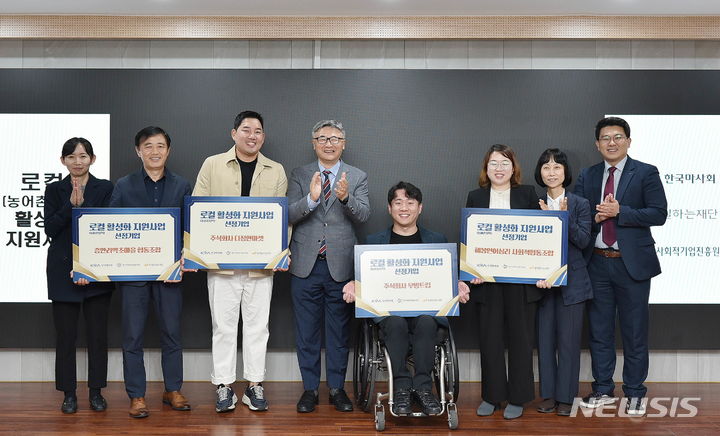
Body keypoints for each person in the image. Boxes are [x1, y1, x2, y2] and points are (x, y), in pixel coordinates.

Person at [342, 181, 470, 416]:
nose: (404, 208)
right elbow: (363, 278)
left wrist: (458, 283)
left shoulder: (437, 240)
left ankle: (423, 389)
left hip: (427, 314)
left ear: (419, 208)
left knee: (425, 321)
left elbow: (448, 277)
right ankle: (401, 387)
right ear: (389, 208)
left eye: (410, 203)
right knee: (396, 322)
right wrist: (353, 283)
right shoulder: (373, 243)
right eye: (398, 202)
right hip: (391, 315)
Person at [193, 110, 288, 413]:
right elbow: (198, 209)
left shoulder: (276, 170)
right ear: (233, 133)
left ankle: (254, 385)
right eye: (246, 129)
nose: (252, 135)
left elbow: (282, 220)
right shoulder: (212, 164)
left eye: (258, 131)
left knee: (258, 327)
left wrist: (281, 252)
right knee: (223, 326)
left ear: (264, 136)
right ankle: (223, 386)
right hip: (221, 265)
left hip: (262, 266)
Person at [574, 117, 667, 415]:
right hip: (597, 263)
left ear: (628, 140)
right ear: (597, 144)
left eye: (617, 137)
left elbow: (658, 213)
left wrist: (620, 211)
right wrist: (596, 218)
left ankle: (636, 393)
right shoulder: (587, 176)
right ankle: (602, 389)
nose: (611, 142)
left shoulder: (646, 172)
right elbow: (580, 215)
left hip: (632, 265)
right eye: (605, 138)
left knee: (635, 332)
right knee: (600, 332)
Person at [109, 126, 193, 418]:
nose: (154, 152)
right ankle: (137, 395)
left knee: (172, 333)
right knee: (132, 337)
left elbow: (190, 228)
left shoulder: (182, 185)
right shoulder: (124, 185)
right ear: (138, 151)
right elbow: (110, 228)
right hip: (133, 275)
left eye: (160, 146)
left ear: (168, 151)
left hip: (170, 274)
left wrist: (188, 254)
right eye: (148, 146)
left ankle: (173, 389)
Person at [288, 119, 370, 413]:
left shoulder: (357, 176)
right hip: (305, 264)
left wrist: (346, 198)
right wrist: (310, 199)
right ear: (314, 143)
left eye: (335, 138)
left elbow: (363, 215)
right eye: (323, 138)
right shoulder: (299, 174)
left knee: (338, 332)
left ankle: (336, 388)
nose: (329, 143)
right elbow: (288, 213)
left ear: (343, 144)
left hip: (340, 266)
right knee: (306, 332)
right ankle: (309, 389)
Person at [465, 143, 542, 420]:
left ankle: (519, 397)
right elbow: (470, 239)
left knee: (521, 339)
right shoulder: (475, 196)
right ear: (486, 168)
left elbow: (540, 236)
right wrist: (470, 268)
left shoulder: (528, 194)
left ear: (514, 168)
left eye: (504, 163)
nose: (499, 168)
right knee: (490, 338)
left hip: (521, 282)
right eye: (494, 163)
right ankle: (492, 395)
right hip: (487, 281)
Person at [44, 137, 114, 414]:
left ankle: (96, 392)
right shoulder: (54, 189)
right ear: (63, 161)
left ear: (92, 159)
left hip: (96, 271)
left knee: (98, 336)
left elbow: (107, 228)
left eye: (83, 156)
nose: (77, 161)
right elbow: (51, 228)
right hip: (62, 272)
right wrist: (71, 205)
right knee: (65, 337)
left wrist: (87, 267)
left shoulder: (106, 188)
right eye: (71, 157)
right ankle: (69, 394)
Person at [532, 149, 593, 417]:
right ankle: (548, 395)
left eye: (557, 167)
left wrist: (561, 218)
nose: (552, 172)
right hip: (542, 284)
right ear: (540, 173)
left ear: (566, 172)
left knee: (568, 342)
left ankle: (567, 397)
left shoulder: (579, 203)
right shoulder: (533, 204)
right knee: (545, 341)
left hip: (573, 283)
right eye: (546, 167)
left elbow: (583, 241)